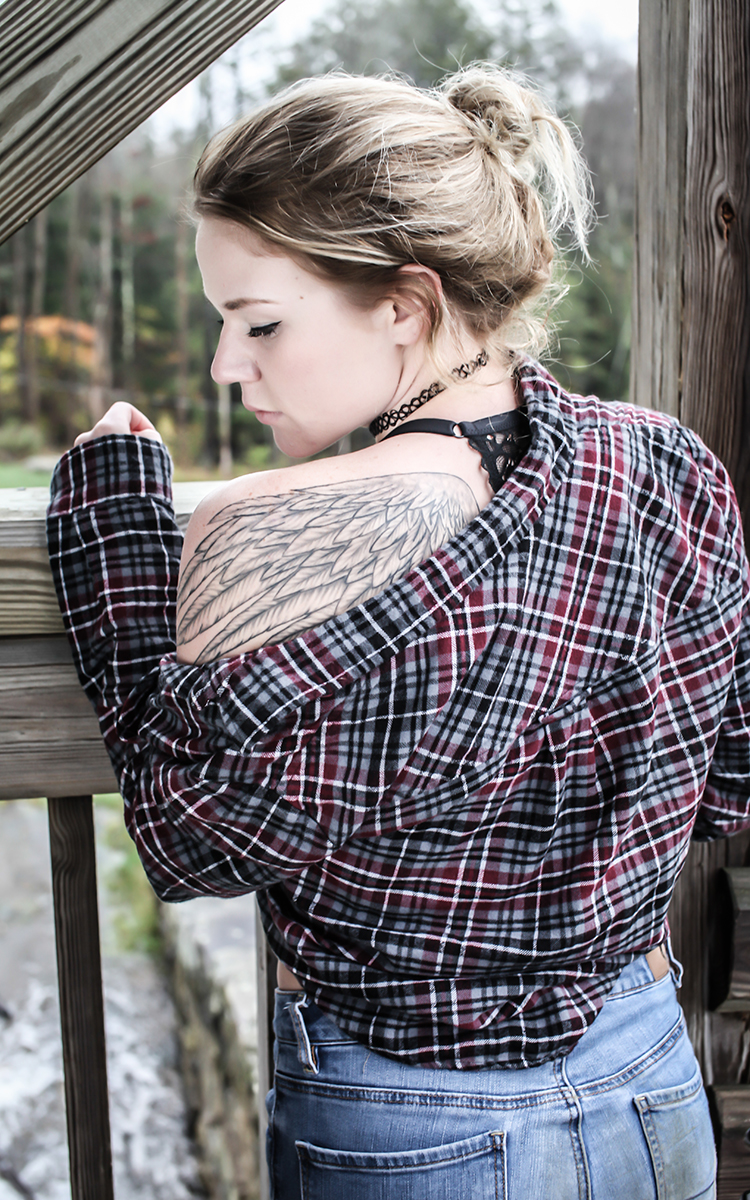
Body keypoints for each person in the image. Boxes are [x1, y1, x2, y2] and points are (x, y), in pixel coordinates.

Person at [45, 66, 747, 1200]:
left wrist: (114, 541)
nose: (227, 366)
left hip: (410, 1119)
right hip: (652, 1084)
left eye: (259, 322)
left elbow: (184, 841)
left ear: (408, 306)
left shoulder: (264, 531)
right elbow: (728, 784)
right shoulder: (670, 466)